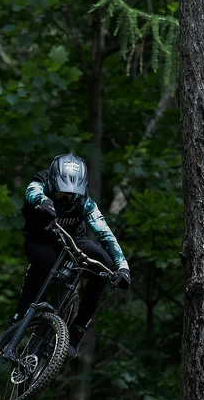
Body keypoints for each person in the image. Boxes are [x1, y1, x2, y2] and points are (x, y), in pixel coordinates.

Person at [15, 152, 131, 358]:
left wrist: (122, 268)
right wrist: (44, 202)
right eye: (62, 194)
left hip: (73, 240)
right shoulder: (41, 182)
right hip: (42, 238)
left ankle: (78, 329)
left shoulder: (85, 202)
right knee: (45, 260)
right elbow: (32, 191)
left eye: (72, 195)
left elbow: (105, 234)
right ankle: (21, 314)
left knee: (103, 263)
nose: (67, 199)